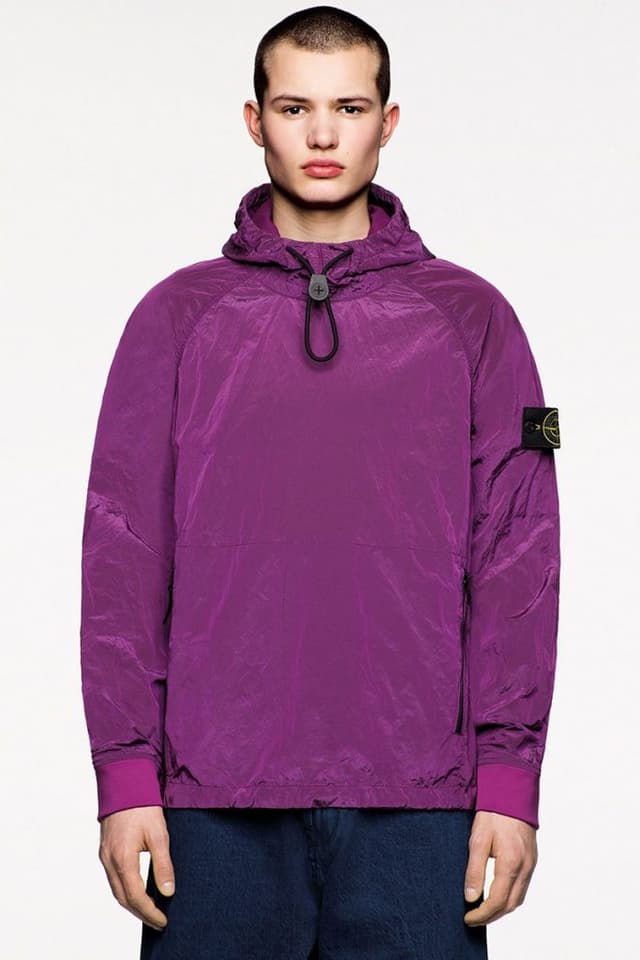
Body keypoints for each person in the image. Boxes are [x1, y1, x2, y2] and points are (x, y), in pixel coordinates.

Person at [79, 5, 562, 958]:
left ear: (389, 121)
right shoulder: (175, 318)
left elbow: (521, 556)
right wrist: (125, 777)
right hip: (210, 804)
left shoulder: (475, 321)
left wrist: (510, 784)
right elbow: (121, 554)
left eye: (349, 107)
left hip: (422, 804)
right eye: (295, 108)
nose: (323, 135)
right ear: (254, 121)